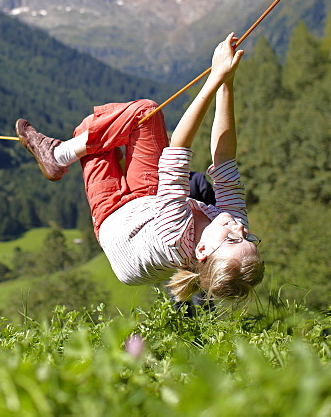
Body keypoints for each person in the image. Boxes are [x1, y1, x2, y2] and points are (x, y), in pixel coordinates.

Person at [15, 34, 264, 303]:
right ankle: (58, 155)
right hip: (148, 203)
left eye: (233, 240)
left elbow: (179, 149)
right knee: (144, 114)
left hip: (114, 221)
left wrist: (215, 77)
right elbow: (225, 157)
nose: (240, 230)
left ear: (202, 249)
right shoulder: (234, 223)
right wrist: (228, 82)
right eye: (250, 237)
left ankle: (59, 154)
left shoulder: (176, 236)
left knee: (90, 129)